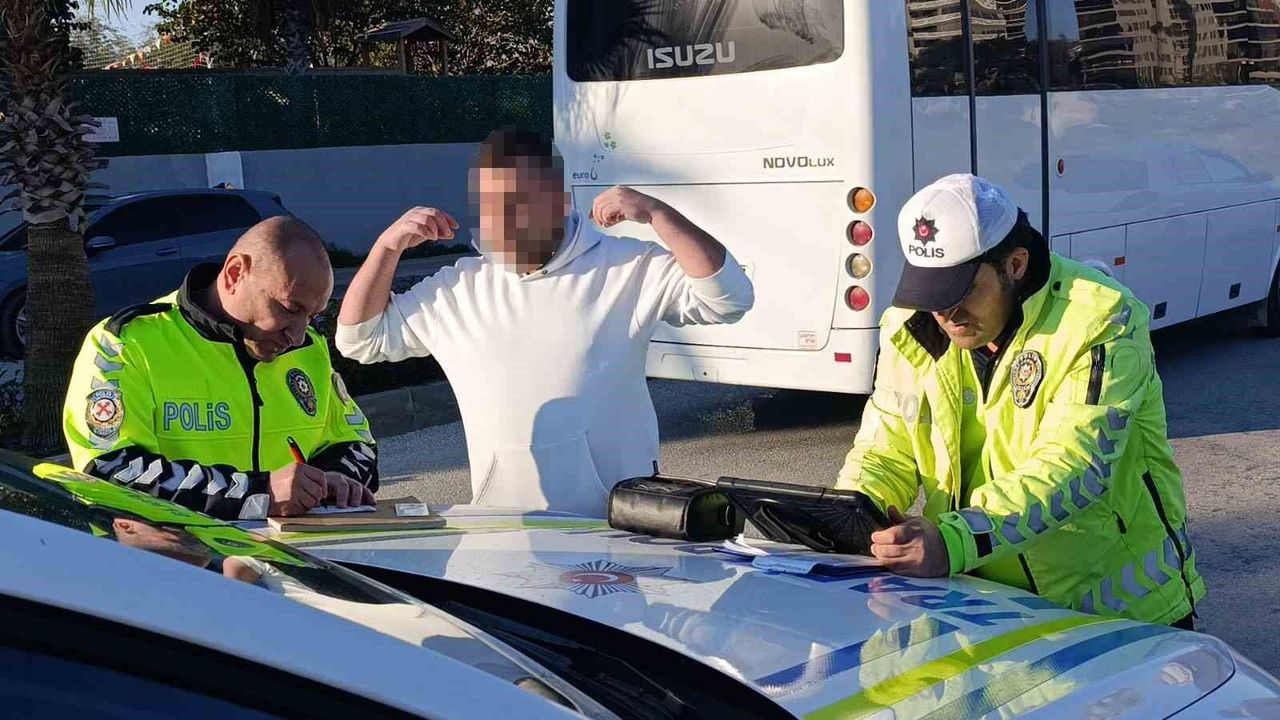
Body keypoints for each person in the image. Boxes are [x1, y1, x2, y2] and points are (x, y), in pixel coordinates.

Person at [836, 174, 1205, 627]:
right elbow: (885, 447)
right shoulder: (910, 324)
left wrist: (954, 541)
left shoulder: (1101, 318)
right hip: (980, 604)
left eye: (961, 291)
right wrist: (849, 513)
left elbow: (1075, 465)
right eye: (933, 293)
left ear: (1015, 264)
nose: (946, 314)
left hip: (1117, 615)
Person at [336, 129, 754, 516]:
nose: (502, 221)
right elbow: (359, 340)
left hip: (616, 525)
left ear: (560, 201)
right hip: (501, 527)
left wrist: (658, 214)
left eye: (517, 203)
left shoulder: (626, 268)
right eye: (489, 206)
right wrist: (387, 247)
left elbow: (729, 298)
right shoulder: (456, 288)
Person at [63, 216, 378, 521]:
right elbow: (110, 468)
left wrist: (332, 481)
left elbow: (356, 441)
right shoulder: (125, 344)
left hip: (291, 554)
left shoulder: (308, 348)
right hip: (169, 555)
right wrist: (258, 494)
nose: (297, 335)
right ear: (235, 273)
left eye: (312, 316)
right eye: (288, 308)